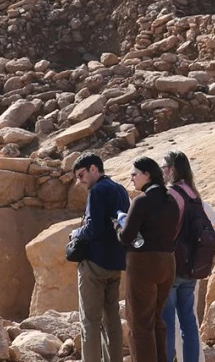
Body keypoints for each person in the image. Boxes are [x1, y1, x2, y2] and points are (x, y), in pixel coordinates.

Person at [118, 157, 180, 362]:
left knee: (140, 324)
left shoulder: (141, 201)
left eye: (134, 174)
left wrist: (118, 225)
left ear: (148, 174)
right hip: (168, 263)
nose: (132, 178)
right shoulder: (171, 200)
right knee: (157, 320)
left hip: (143, 264)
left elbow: (127, 237)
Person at [71, 153, 131, 362]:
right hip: (116, 262)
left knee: (89, 320)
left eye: (81, 175)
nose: (80, 181)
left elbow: (94, 228)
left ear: (94, 168)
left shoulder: (97, 190)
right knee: (112, 318)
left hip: (95, 264)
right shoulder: (121, 189)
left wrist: (75, 234)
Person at [162, 151, 204, 362]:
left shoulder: (171, 194)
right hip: (192, 265)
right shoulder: (194, 194)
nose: (162, 171)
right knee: (189, 322)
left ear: (172, 169)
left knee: (168, 323)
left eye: (164, 167)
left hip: (172, 265)